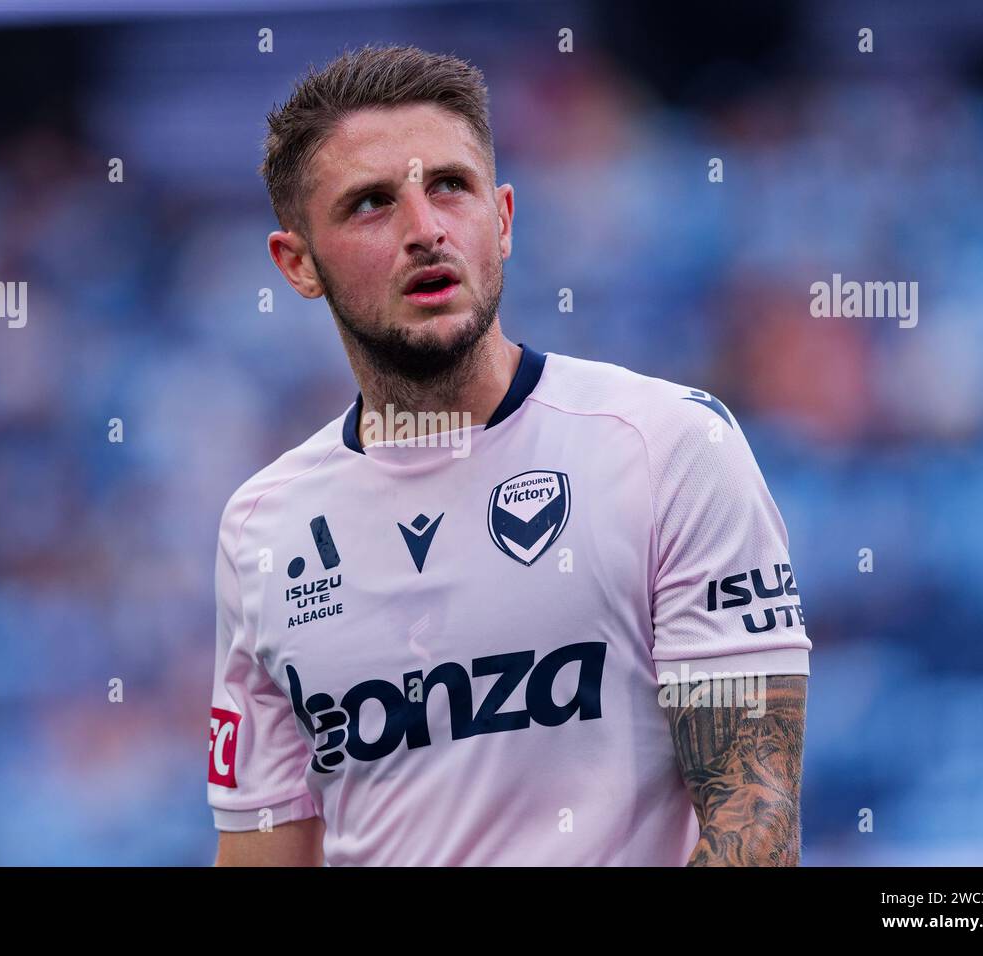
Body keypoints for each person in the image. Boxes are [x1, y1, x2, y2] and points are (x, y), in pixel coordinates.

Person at [207, 44, 810, 865]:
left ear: (504, 218)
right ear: (298, 263)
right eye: (371, 204)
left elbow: (756, 828)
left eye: (450, 186)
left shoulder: (668, 445)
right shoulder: (261, 529)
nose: (425, 231)